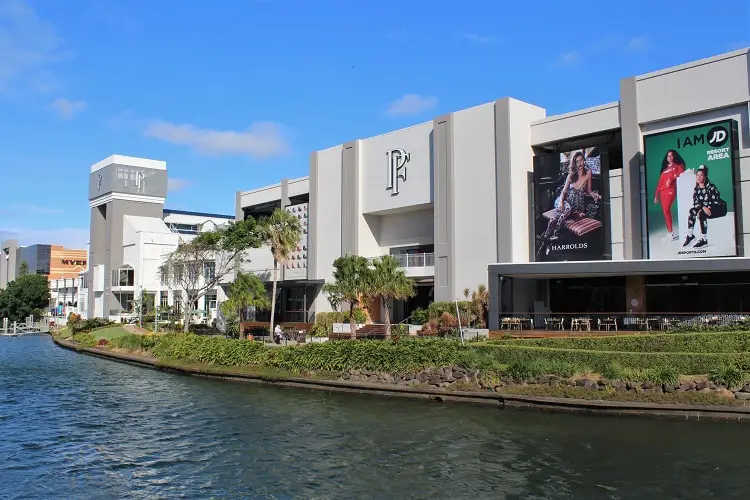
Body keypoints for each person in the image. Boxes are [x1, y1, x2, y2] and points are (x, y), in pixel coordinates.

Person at [543, 151, 601, 240]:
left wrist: (595, 196)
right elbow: (563, 192)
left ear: (584, 160)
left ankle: (546, 236)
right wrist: (561, 202)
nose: (580, 163)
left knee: (557, 218)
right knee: (567, 209)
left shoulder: (588, 173)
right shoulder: (571, 175)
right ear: (574, 163)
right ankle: (556, 233)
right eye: (577, 161)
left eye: (581, 160)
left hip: (576, 207)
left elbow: (589, 190)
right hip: (565, 201)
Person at [683, 165, 727, 249]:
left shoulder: (711, 187)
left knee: (702, 214)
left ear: (705, 177)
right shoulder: (696, 189)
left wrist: (707, 208)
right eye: (697, 175)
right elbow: (696, 202)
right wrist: (702, 208)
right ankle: (690, 235)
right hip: (705, 208)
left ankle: (704, 240)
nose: (699, 177)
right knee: (692, 211)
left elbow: (716, 201)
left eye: (701, 175)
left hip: (720, 208)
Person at [653, 149, 686, 241]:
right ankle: (670, 232)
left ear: (674, 156)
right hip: (662, 192)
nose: (670, 157)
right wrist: (656, 195)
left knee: (667, 209)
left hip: (671, 190)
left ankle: (671, 233)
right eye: (668, 156)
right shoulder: (665, 169)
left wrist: (671, 177)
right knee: (665, 211)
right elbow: (660, 183)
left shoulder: (678, 165)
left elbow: (681, 173)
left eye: (671, 155)